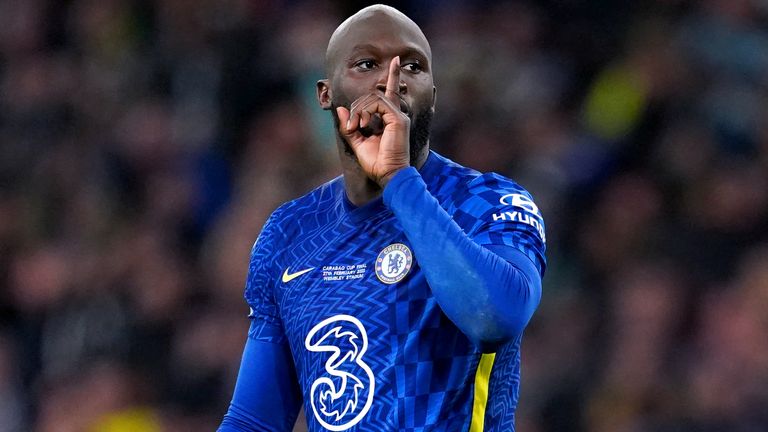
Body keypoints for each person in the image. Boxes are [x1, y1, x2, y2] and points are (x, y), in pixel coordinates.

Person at [218, 4, 546, 431]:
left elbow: (494, 319)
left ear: (433, 92)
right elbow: (254, 420)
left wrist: (398, 180)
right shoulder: (291, 231)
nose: (391, 81)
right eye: (366, 64)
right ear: (325, 94)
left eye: (412, 66)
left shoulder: (486, 201)